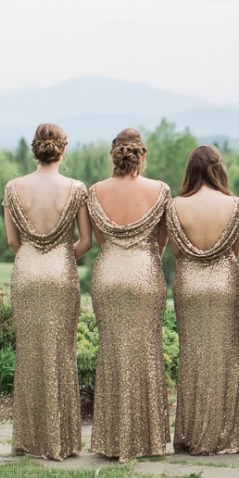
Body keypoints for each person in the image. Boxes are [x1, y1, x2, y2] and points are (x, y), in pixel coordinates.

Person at [3, 123, 91, 460]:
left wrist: (33, 257)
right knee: (60, 352)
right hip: (59, 273)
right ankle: (61, 441)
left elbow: (13, 241)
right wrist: (59, 255)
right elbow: (85, 242)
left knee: (29, 354)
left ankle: (29, 439)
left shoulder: (13, 188)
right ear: (63, 150)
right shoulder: (76, 188)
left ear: (34, 150)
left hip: (26, 273)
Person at [87, 128, 171, 459]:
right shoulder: (161, 190)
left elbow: (99, 240)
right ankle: (145, 440)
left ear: (114, 155)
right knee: (146, 351)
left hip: (107, 273)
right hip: (144, 272)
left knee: (111, 351)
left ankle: (111, 440)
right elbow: (162, 241)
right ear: (142, 155)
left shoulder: (95, 192)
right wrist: (145, 262)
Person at [166, 145, 239, 455]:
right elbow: (235, 251)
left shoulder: (176, 206)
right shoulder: (236, 205)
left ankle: (190, 433)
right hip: (224, 281)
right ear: (218, 169)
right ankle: (225, 434)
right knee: (225, 355)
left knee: (193, 356)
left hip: (189, 284)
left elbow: (176, 251)